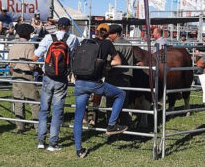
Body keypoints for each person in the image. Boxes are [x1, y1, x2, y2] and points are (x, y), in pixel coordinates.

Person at [73, 23, 126, 158]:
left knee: (78, 119)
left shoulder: (85, 42)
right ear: (107, 34)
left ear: (95, 32)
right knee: (121, 94)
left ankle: (79, 150)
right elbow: (118, 61)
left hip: (79, 82)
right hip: (94, 84)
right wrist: (106, 64)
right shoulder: (107, 44)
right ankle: (112, 124)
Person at [33, 17, 79, 151]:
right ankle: (53, 143)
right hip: (62, 79)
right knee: (57, 110)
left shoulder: (48, 38)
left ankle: (41, 141)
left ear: (57, 26)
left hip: (47, 76)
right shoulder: (72, 39)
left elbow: (35, 56)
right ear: (68, 27)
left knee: (44, 109)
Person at [8, 23, 40, 134]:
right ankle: (38, 127)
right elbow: (32, 64)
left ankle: (20, 126)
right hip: (26, 75)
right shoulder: (30, 46)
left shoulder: (14, 46)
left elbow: (10, 63)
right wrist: (37, 69)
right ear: (28, 34)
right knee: (34, 101)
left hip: (15, 75)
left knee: (18, 101)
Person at [106, 24, 133, 126]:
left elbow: (109, 60)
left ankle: (111, 124)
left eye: (110, 34)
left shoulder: (113, 46)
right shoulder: (129, 44)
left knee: (110, 102)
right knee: (124, 103)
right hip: (126, 76)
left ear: (116, 34)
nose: (108, 36)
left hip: (114, 76)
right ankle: (124, 125)